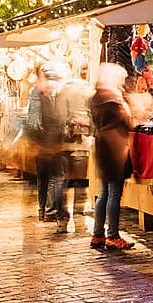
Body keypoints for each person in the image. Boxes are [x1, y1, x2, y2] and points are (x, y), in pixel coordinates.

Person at [88, 63, 135, 251]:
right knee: (114, 194)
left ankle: (97, 234)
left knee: (104, 193)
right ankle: (113, 236)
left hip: (102, 147)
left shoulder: (95, 98)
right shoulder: (113, 100)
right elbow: (129, 121)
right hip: (115, 149)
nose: (123, 84)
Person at [26, 62, 68, 221]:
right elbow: (60, 116)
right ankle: (51, 212)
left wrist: (35, 140)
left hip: (39, 140)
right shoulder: (58, 89)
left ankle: (42, 211)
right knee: (56, 176)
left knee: (42, 177)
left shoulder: (35, 90)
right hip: (52, 139)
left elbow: (32, 120)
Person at [57, 65, 94, 234]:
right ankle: (80, 222)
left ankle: (62, 221)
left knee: (64, 182)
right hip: (81, 144)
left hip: (64, 144)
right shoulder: (87, 91)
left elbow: (58, 117)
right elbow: (93, 118)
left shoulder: (61, 91)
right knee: (80, 182)